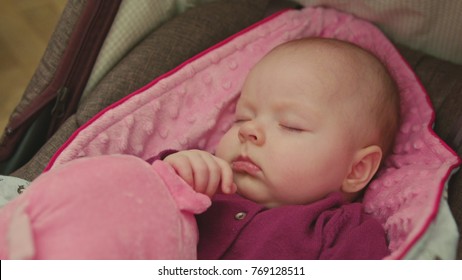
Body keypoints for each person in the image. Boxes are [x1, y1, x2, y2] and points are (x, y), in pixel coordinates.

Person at [160, 37, 401, 259]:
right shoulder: (204, 183)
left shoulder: (344, 234)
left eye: (290, 126)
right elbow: (132, 202)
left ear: (356, 169)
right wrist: (172, 173)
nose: (248, 131)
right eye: (242, 118)